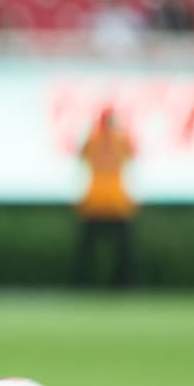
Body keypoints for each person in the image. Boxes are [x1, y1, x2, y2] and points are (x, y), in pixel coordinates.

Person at [74, 107, 136, 287]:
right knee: (121, 250)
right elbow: (131, 156)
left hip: (98, 200)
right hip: (113, 200)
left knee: (89, 249)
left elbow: (80, 156)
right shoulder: (120, 139)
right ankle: (123, 284)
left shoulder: (94, 139)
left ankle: (83, 283)